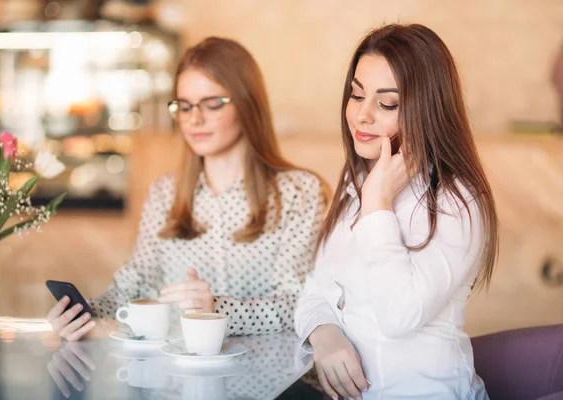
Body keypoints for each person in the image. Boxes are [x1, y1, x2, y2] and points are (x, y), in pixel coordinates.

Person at [47, 37, 328, 341]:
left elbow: (299, 303)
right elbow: (134, 286)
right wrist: (84, 314)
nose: (194, 119)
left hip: (270, 381)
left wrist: (217, 310)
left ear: (248, 104)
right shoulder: (165, 193)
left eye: (212, 103)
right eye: (184, 106)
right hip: (179, 379)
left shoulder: (299, 192)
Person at [295, 23, 499, 400]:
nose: (362, 116)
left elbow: (398, 316)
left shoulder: (458, 202)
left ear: (428, 109)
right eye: (357, 95)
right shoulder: (356, 181)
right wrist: (325, 335)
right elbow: (315, 290)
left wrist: (378, 204)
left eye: (387, 103)